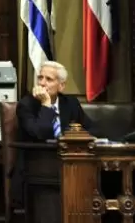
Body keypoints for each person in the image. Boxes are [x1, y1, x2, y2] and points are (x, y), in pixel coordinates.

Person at [12, 61, 97, 205]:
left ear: (61, 86)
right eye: (40, 78)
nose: (42, 83)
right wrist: (46, 105)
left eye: (49, 79)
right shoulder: (26, 105)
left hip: (69, 167)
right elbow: (41, 134)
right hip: (36, 171)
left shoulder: (70, 103)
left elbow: (92, 129)